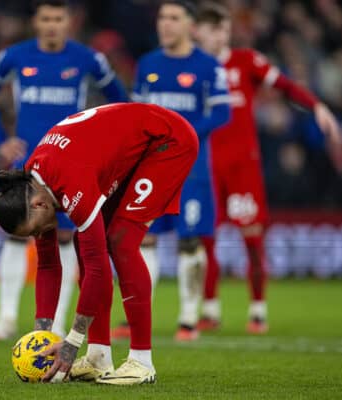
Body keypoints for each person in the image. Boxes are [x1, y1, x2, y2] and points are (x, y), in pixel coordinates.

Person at [0, 103, 198, 384]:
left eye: (37, 230)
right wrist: (42, 335)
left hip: (167, 140)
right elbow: (49, 264)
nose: (40, 235)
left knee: (121, 241)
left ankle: (142, 362)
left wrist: (72, 342)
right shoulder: (34, 184)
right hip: (132, 148)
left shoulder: (68, 180)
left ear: (39, 205)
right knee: (82, 242)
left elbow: (99, 269)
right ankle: (99, 356)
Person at [0, 0, 127, 340]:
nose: (52, 25)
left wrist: (99, 142)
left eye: (58, 18)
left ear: (68, 21)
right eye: (46, 18)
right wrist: (2, 140)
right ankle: (6, 317)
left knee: (63, 238)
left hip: (70, 164)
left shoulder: (88, 58)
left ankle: (57, 323)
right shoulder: (14, 56)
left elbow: (119, 100)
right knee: (18, 235)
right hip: (27, 163)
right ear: (36, 21)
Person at [192, 2, 342, 333]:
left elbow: (286, 86)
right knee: (205, 239)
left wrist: (316, 106)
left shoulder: (247, 61)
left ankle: (258, 309)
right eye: (210, 30)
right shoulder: (194, 69)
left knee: (252, 238)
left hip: (242, 166)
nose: (217, 35)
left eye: (221, 30)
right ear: (199, 32)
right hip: (206, 166)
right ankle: (210, 309)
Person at [112, 0, 230, 342]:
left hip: (191, 169)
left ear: (190, 25)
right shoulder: (147, 64)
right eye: (162, 17)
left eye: (174, 18)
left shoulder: (209, 66)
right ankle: (136, 316)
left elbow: (223, 115)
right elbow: (136, 114)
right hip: (150, 169)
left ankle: (188, 319)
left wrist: (182, 134)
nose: (166, 24)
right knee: (143, 238)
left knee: (189, 240)